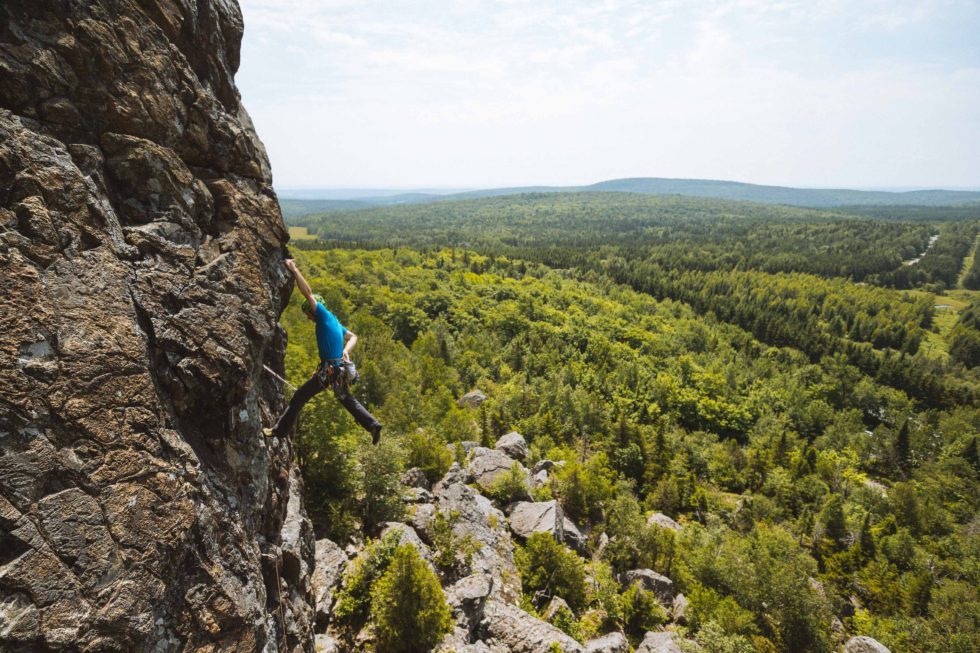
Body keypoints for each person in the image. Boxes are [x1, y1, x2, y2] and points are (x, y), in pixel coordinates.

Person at [265, 258, 382, 444]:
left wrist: (294, 270)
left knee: (299, 396)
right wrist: (346, 351)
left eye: (308, 315)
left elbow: (307, 292)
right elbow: (354, 337)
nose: (309, 318)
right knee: (346, 398)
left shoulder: (324, 315)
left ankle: (279, 431)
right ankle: (372, 424)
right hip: (338, 370)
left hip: (331, 370)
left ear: (314, 311)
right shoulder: (335, 321)